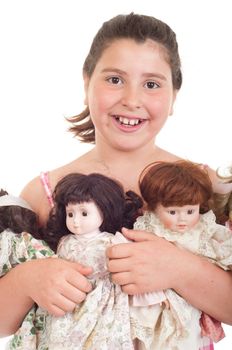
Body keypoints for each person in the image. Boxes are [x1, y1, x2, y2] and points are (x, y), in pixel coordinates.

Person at [1, 13, 232, 347]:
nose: (132, 100)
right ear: (86, 83)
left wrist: (182, 269)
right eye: (114, 79)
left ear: (174, 97)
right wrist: (26, 281)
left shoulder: (204, 187)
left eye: (151, 84)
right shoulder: (44, 194)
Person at [6, 172, 142, 349]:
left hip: (102, 300)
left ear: (104, 211)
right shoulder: (66, 242)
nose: (76, 221)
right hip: (67, 296)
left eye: (84, 213)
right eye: (71, 214)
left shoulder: (110, 241)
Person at [129, 160, 231, 349]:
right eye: (173, 211)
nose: (182, 218)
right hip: (156, 297)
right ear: (154, 208)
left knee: (187, 334)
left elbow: (223, 251)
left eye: (190, 211)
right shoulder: (151, 228)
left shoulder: (204, 230)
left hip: (193, 297)